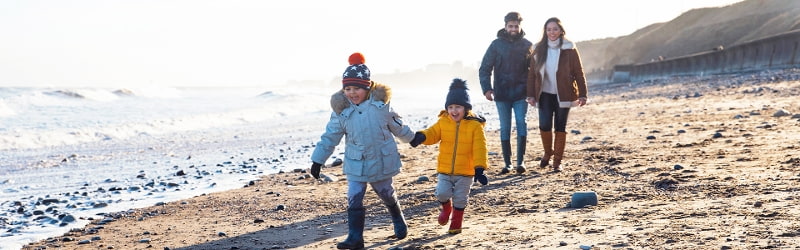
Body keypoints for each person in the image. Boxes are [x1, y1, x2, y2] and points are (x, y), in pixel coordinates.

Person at [310, 52, 416, 249]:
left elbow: (397, 126)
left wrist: (412, 138)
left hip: (381, 160)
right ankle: (355, 237)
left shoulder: (381, 106)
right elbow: (330, 136)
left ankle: (397, 218)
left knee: (386, 193)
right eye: (347, 88)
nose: (351, 93)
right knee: (354, 196)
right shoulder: (342, 111)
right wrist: (318, 160)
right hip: (356, 162)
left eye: (356, 88)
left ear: (367, 88)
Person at [409, 78, 489, 235]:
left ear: (465, 108)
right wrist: (421, 137)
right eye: (450, 107)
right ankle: (446, 208)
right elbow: (432, 133)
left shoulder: (475, 126)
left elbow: (480, 148)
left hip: (465, 172)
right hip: (445, 170)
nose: (454, 110)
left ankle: (456, 223)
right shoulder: (443, 121)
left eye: (458, 107)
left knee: (460, 198)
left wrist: (479, 168)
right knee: (441, 193)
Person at [526, 17, 588, 172]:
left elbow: (578, 72)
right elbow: (532, 75)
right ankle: (548, 152)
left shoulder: (569, 48)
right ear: (545, 31)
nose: (552, 32)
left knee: (560, 126)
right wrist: (531, 95)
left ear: (561, 31)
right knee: (544, 125)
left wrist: (583, 94)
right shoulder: (538, 49)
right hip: (545, 94)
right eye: (548, 29)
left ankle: (557, 162)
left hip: (564, 93)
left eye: (555, 29)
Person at [479, 11, 533, 175]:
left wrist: (532, 92)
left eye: (516, 26)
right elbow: (484, 68)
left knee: (521, 123)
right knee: (505, 127)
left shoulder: (527, 45)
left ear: (520, 26)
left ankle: (520, 162)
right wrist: (487, 89)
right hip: (501, 94)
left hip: (521, 94)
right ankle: (508, 163)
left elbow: (534, 72)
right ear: (505, 26)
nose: (513, 29)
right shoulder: (496, 45)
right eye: (511, 26)